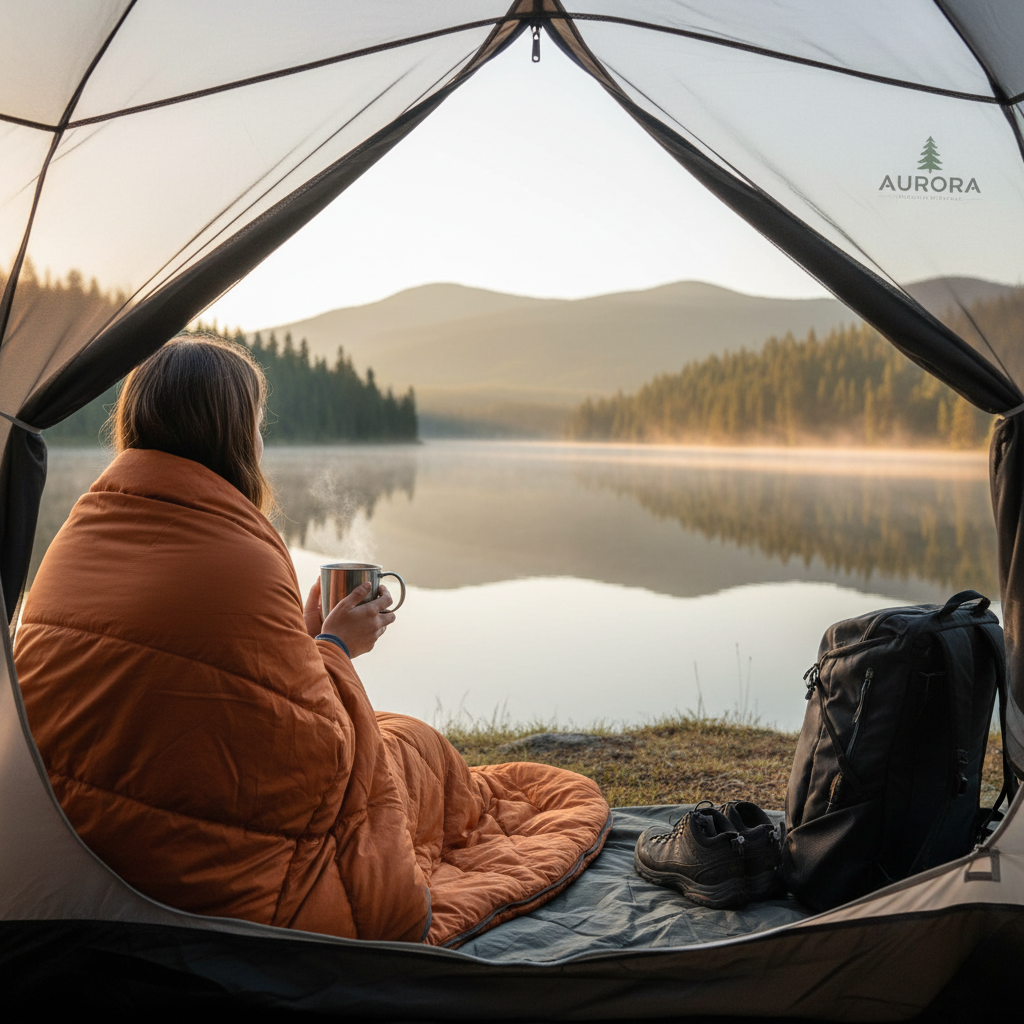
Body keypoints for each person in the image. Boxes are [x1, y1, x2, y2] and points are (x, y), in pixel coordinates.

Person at [15, 335, 610, 946]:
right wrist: (338, 648)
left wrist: (299, 636)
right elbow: (315, 759)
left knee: (394, 737)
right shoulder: (240, 552)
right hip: (197, 876)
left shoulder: (77, 532)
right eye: (256, 424)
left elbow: (211, 693)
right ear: (233, 434)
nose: (262, 441)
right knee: (412, 744)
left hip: (76, 847)